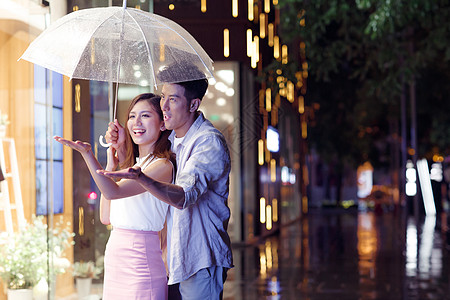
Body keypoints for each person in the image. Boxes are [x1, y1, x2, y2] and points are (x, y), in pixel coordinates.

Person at [101, 63, 233, 299]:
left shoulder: (207, 142)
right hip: (174, 259)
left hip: (200, 258)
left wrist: (143, 179)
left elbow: (184, 196)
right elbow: (147, 147)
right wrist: (121, 144)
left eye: (173, 99)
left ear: (193, 104)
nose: (164, 106)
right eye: (163, 97)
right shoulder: (172, 141)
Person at [55, 93, 174, 300]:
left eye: (145, 116)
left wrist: (87, 154)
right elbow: (106, 217)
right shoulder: (135, 166)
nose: (136, 122)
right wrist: (111, 165)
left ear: (163, 124)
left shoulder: (162, 166)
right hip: (116, 254)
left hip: (141, 260)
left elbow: (113, 192)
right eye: (132, 116)